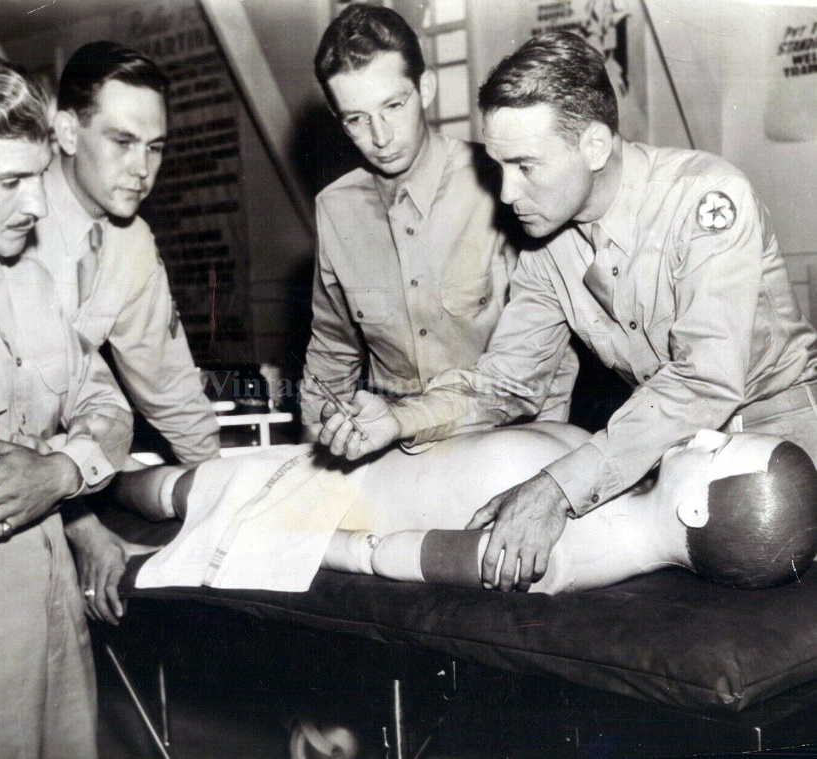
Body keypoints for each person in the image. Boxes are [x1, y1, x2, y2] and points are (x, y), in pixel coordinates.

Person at [318, 31, 817, 594]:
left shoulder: (704, 199)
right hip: (665, 453)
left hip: (784, 453)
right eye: (497, 165)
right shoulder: (548, 246)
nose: (506, 194)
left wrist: (557, 489)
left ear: (595, 147)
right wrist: (402, 418)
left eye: (526, 165)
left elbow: (704, 379)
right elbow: (508, 382)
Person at [0, 50, 133, 757]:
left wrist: (62, 470)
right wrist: (76, 454)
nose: (38, 205)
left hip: (58, 612)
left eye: (39, 179)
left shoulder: (31, 280)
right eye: (11, 182)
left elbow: (110, 405)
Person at [300, 4, 577, 439]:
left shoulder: (501, 184)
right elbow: (332, 352)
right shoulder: (336, 209)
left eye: (393, 105)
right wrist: (314, 459)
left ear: (425, 88)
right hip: (398, 448)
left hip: (511, 438)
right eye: (357, 119)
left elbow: (546, 351)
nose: (381, 136)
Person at [111, 426, 817, 595]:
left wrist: (281, 533)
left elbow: (380, 552)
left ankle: (93, 484)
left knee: (154, 489)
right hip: (333, 457)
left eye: (719, 444)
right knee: (159, 477)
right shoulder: (612, 470)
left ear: (694, 507)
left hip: (302, 493)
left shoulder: (551, 558)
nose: (705, 431)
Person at [28, 41, 221, 623]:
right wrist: (83, 532)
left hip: (53, 478)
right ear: (66, 131)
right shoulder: (11, 221)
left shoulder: (129, 242)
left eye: (155, 147)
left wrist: (227, 496)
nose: (142, 169)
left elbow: (171, 387)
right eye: (121, 141)